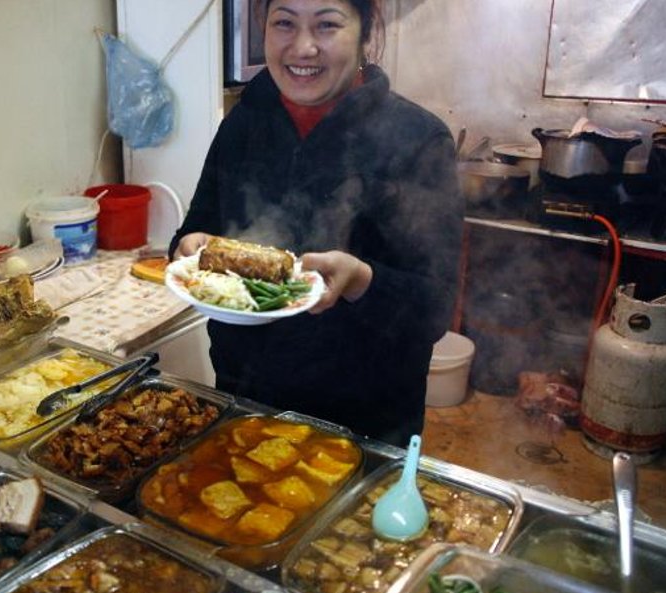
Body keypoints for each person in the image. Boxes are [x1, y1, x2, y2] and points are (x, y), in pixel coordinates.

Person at [169, 0, 463, 446]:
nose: (303, 48)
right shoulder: (243, 123)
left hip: (364, 425)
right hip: (244, 401)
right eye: (284, 23)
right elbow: (196, 228)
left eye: (326, 25)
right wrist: (189, 243)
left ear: (366, 31)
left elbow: (435, 308)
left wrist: (362, 279)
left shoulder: (417, 140)